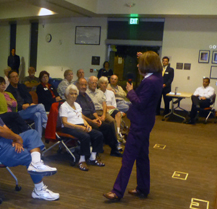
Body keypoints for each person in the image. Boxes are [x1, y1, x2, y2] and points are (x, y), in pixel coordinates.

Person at [0, 80, 59, 201]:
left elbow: (4, 128)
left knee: (32, 133)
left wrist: (14, 139)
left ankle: (36, 164)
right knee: (28, 156)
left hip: (2, 142)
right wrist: (16, 138)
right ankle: (39, 190)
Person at [103, 51, 163, 201]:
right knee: (142, 156)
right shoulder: (157, 77)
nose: (137, 65)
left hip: (139, 124)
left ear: (147, 66)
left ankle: (117, 191)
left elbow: (140, 103)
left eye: (141, 63)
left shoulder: (149, 81)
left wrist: (130, 92)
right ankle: (143, 188)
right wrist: (145, 57)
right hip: (146, 122)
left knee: (128, 158)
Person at [59, 84, 105, 171]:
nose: (74, 96)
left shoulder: (77, 105)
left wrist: (87, 124)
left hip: (80, 125)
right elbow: (65, 123)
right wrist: (79, 128)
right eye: (71, 94)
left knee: (98, 134)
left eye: (75, 94)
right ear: (67, 95)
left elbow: (81, 117)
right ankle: (82, 160)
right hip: (69, 127)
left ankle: (93, 158)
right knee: (85, 136)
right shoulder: (63, 106)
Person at [75, 78, 122, 157]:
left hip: (92, 117)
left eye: (85, 85)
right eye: (81, 85)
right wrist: (92, 121)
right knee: (102, 129)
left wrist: (97, 118)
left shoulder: (86, 96)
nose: (83, 86)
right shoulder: (76, 97)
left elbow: (93, 110)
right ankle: (98, 150)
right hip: (83, 120)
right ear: (77, 85)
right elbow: (79, 114)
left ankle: (114, 149)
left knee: (108, 125)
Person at [6, 71, 48, 140]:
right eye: (13, 77)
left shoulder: (22, 86)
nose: (16, 78)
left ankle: (38, 139)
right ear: (9, 79)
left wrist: (28, 103)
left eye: (17, 76)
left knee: (38, 114)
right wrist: (22, 106)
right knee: (40, 106)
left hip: (27, 109)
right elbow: (13, 105)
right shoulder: (8, 91)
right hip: (18, 112)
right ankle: (46, 125)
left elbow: (28, 97)